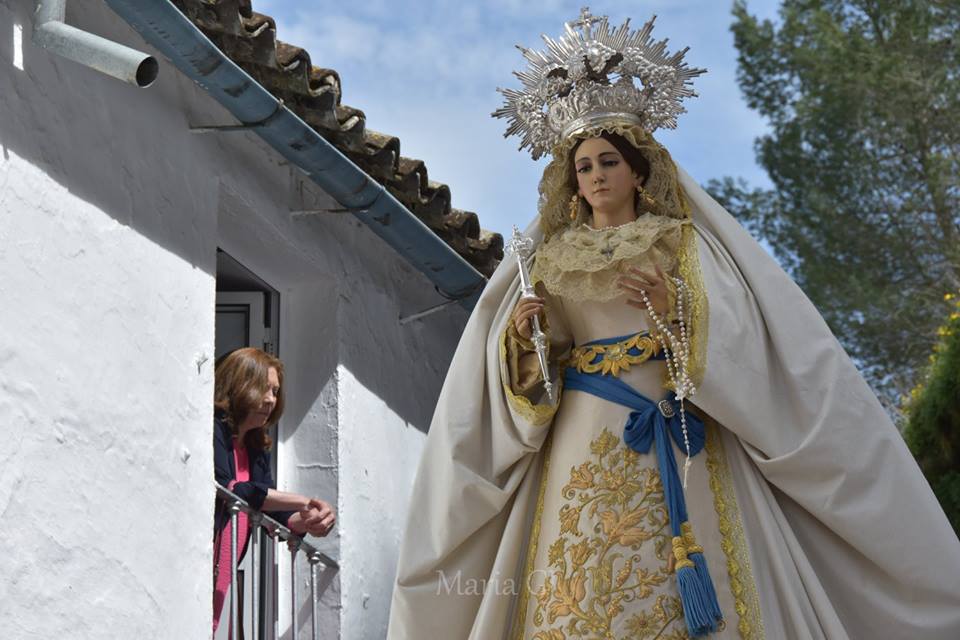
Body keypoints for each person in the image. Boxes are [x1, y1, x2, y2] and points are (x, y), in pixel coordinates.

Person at [387, 9, 960, 640]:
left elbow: (741, 336)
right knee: (581, 575)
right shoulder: (547, 260)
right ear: (571, 182)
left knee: (688, 566)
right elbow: (531, 377)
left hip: (678, 424)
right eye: (585, 166)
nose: (598, 175)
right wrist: (527, 338)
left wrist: (678, 305)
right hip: (584, 430)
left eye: (609, 161)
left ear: (637, 169)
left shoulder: (682, 244)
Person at [212, 347, 335, 635]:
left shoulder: (256, 449)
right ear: (237, 384)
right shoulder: (213, 429)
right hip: (207, 563)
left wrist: (305, 521)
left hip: (228, 570)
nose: (270, 399)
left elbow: (267, 508)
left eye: (275, 391)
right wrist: (305, 499)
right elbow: (236, 489)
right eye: (262, 389)